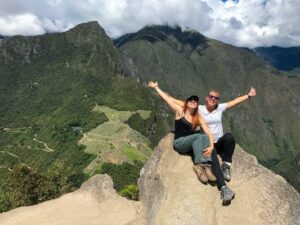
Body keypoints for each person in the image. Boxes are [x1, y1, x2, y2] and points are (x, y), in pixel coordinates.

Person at [148, 81, 235, 204]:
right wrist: (156, 87)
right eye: (191, 100)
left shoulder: (198, 117)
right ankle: (200, 166)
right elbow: (167, 99)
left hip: (190, 143)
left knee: (203, 136)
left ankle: (208, 167)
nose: (193, 101)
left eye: (195, 100)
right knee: (199, 137)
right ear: (186, 103)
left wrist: (211, 147)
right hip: (179, 143)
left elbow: (209, 133)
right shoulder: (180, 111)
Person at [170, 88, 257, 181]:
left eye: (216, 97)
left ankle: (226, 166)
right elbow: (182, 103)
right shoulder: (199, 109)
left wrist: (248, 96)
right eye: (211, 96)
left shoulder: (220, 107)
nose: (213, 99)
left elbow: (234, 102)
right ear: (207, 98)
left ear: (217, 100)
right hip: (207, 142)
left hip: (218, 141)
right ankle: (205, 168)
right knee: (205, 143)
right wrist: (165, 96)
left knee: (229, 137)